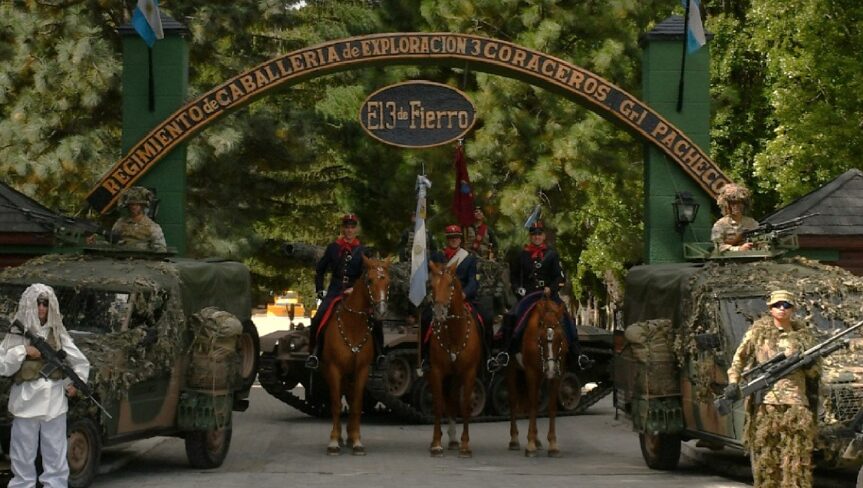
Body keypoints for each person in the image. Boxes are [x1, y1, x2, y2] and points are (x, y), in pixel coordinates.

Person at [0, 284, 90, 488]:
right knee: (22, 457)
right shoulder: (18, 332)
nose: (42, 308)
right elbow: (3, 365)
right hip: (25, 401)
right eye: (38, 303)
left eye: (46, 304)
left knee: (55, 457)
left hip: (54, 402)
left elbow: (80, 362)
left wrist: (76, 383)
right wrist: (23, 351)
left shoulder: (57, 332)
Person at [726, 290, 819, 488]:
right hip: (766, 404)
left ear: (793, 309)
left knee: (795, 458)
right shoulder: (757, 333)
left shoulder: (803, 337)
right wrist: (733, 383)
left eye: (787, 305)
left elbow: (815, 374)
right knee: (767, 458)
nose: (782, 309)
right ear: (770, 308)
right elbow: (739, 359)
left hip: (796, 403)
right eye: (777, 305)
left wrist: (810, 365)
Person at [492, 221, 587, 371]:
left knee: (566, 317)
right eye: (534, 234)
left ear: (544, 236)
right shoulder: (522, 255)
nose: (537, 237)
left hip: (548, 295)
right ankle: (505, 352)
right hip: (529, 295)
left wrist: (551, 288)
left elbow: (560, 277)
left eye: (539, 234)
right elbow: (514, 277)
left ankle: (578, 353)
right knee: (512, 315)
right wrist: (518, 289)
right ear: (530, 236)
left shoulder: (552, 254)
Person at [305, 214, 381, 369]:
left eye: (352, 227)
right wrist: (320, 289)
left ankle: (380, 354)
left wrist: (355, 288)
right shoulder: (333, 248)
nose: (349, 230)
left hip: (355, 290)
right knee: (318, 318)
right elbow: (320, 270)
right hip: (335, 290)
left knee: (376, 319)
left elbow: (367, 274)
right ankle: (314, 353)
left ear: (356, 229)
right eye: (347, 227)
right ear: (342, 229)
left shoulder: (362, 250)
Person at [420, 224, 490, 369]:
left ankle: (487, 357)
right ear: (447, 239)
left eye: (456, 237)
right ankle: (425, 357)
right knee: (425, 318)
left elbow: (473, 281)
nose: (454, 240)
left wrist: (465, 293)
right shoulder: (438, 256)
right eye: (451, 238)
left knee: (486, 318)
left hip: (463, 299)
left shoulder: (469, 258)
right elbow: (430, 274)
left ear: (460, 239)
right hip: (442, 298)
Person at [87, 186, 166, 252]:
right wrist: (95, 243)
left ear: (142, 206)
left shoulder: (152, 227)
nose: (134, 207)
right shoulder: (120, 223)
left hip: (143, 262)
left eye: (137, 204)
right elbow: (112, 244)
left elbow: (161, 249)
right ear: (127, 206)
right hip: (121, 261)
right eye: (131, 204)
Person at [711, 183, 759, 254]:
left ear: (744, 204)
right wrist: (739, 249)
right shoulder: (720, 225)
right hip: (729, 260)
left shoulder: (751, 223)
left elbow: (761, 241)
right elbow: (718, 247)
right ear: (726, 205)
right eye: (732, 203)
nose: (736, 206)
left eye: (739, 202)